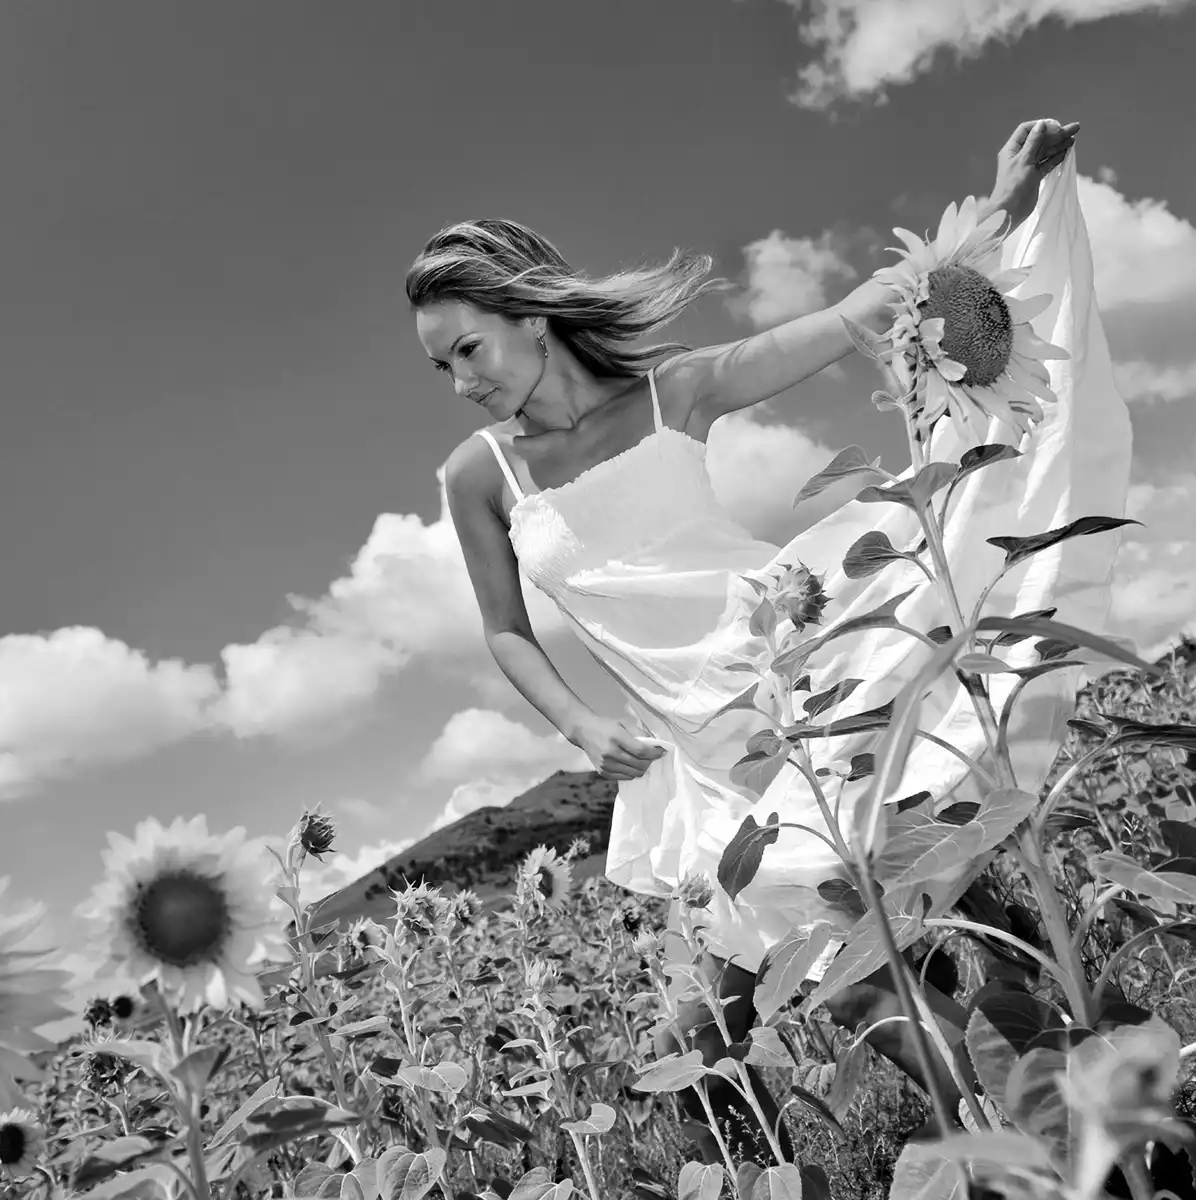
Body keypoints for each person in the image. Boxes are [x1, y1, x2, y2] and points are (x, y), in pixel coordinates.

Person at [409, 117, 1119, 1160]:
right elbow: (507, 631)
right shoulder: (481, 473)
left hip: (809, 682)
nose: (463, 381)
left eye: (469, 348)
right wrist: (575, 722)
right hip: (688, 755)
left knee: (855, 978)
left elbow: (860, 312)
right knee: (716, 1035)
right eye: (441, 368)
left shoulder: (675, 391)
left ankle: (1054, 1157)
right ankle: (1028, 1132)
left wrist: (1005, 200)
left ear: (528, 315)